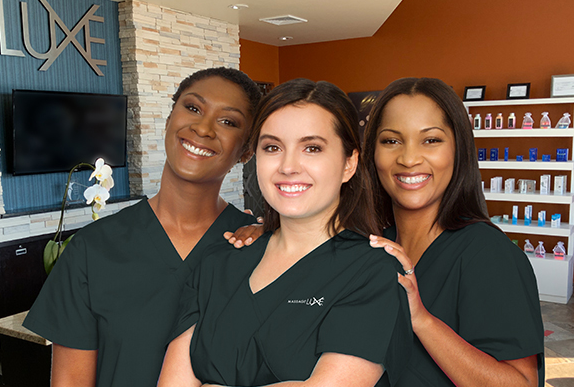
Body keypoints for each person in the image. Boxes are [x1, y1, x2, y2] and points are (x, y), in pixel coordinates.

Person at [158, 79, 412, 387]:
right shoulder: (218, 263)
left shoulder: (373, 272)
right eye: (273, 147)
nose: (288, 166)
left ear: (349, 163)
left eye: (312, 148)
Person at [23, 67, 262, 387]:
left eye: (228, 121)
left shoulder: (262, 248)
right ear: (169, 119)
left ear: (246, 150)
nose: (203, 128)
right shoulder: (92, 249)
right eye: (193, 108)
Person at [364, 77, 545, 387]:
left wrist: (422, 320)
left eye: (431, 140)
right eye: (391, 140)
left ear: (458, 148)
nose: (408, 159)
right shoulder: (371, 247)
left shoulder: (487, 254)